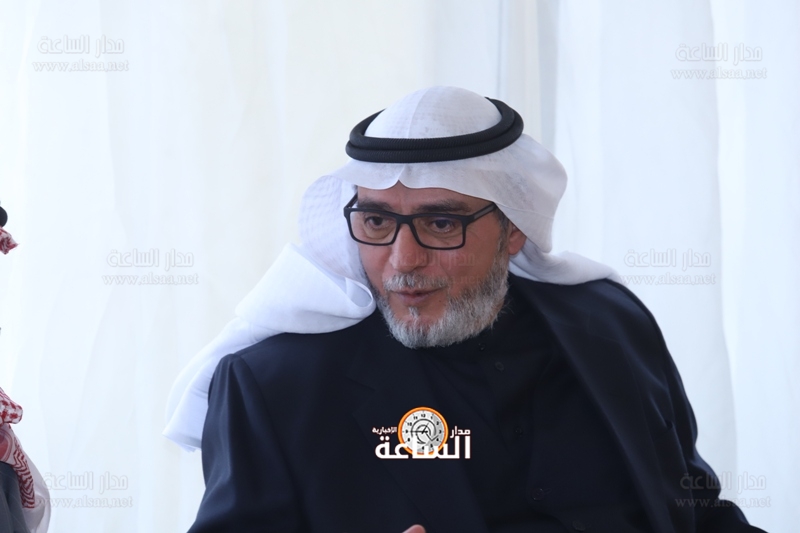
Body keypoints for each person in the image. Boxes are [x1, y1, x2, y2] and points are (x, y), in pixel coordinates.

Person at [167, 87, 766, 532]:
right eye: (376, 221)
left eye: (440, 223)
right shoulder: (274, 389)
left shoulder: (609, 323)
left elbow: (697, 514)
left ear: (514, 230)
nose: (402, 261)